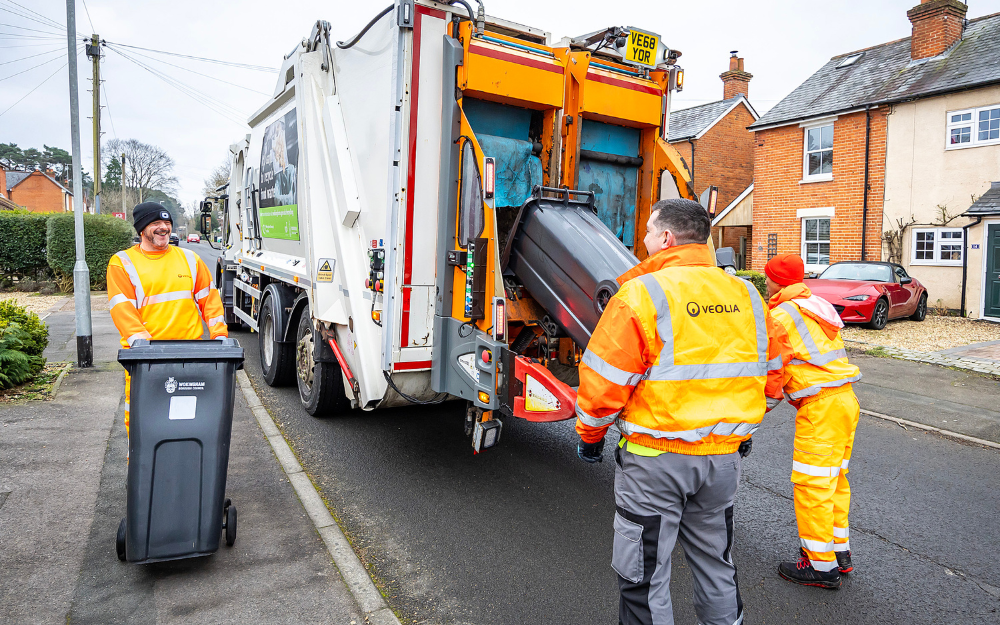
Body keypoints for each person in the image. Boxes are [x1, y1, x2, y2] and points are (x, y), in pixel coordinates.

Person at [575, 199, 785, 625]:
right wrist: (732, 426)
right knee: (717, 564)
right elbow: (775, 379)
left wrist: (591, 438)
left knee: (644, 575)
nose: (646, 240)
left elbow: (603, 385)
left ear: (667, 238)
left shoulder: (642, 293)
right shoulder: (746, 294)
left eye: (649, 231)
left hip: (656, 459)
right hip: (723, 461)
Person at [764, 253, 861, 589]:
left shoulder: (780, 315)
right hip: (844, 401)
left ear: (776, 280)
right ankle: (839, 553)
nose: (765, 282)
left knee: (812, 486)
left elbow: (772, 370)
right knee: (834, 481)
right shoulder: (814, 304)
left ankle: (821, 568)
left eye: (768, 277)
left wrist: (754, 412)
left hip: (821, 408)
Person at [106, 202, 228, 436]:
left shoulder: (190, 259)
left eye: (167, 223)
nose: (163, 228)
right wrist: (146, 348)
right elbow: (123, 310)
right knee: (143, 424)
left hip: (189, 354)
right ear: (142, 229)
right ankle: (142, 470)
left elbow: (210, 302)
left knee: (189, 420)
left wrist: (220, 337)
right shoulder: (123, 263)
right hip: (147, 358)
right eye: (155, 224)